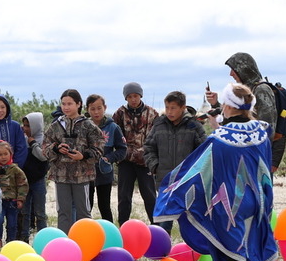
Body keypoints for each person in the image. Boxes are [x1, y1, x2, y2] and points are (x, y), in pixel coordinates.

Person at [155, 84, 278, 261]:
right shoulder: (262, 130)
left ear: (229, 106)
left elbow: (198, 168)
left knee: (234, 253)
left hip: (231, 205)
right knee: (253, 248)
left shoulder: (220, 138)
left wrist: (171, 191)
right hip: (259, 201)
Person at [206, 53, 286, 170]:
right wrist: (215, 104)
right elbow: (236, 117)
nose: (231, 74)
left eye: (234, 70)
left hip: (256, 158)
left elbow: (267, 129)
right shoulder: (250, 90)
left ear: (243, 69)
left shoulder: (262, 90)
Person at [143, 91, 207, 232]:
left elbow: (205, 151)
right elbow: (148, 147)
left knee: (191, 222)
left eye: (173, 108)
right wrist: (155, 167)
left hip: (188, 182)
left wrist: (195, 171)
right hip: (165, 181)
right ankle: (161, 252)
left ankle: (192, 252)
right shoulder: (159, 125)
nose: (169, 111)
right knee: (164, 222)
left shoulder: (194, 126)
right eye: (167, 107)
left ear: (183, 108)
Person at [43, 89, 105, 233]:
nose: (66, 107)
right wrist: (57, 149)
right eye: (63, 104)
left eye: (70, 103)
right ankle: (65, 245)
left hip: (82, 176)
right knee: (63, 213)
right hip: (61, 176)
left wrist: (83, 156)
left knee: (84, 213)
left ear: (78, 104)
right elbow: (45, 147)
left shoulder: (89, 126)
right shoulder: (55, 125)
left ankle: (86, 244)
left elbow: (99, 147)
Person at [112, 82, 159, 224]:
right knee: (124, 197)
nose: (133, 99)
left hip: (145, 161)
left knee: (150, 196)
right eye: (130, 96)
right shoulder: (119, 114)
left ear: (141, 95)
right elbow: (114, 136)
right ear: (126, 98)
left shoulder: (152, 113)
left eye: (136, 96)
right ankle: (123, 227)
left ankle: (157, 227)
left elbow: (157, 137)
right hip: (126, 161)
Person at [86, 94, 127, 222]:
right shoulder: (84, 126)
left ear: (105, 107)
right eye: (92, 109)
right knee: (87, 207)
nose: (96, 112)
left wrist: (109, 158)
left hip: (104, 173)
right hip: (85, 173)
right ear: (87, 110)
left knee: (105, 207)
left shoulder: (113, 127)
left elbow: (122, 149)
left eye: (99, 108)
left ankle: (109, 237)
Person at [0, 141, 29, 246]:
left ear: (11, 154)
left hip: (12, 202)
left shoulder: (16, 170)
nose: (3, 157)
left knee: (12, 223)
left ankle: (11, 241)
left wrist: (20, 199)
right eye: (0, 154)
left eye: (5, 154)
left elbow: (23, 184)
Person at [19, 113, 48, 240]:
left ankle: (43, 238)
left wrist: (33, 143)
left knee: (40, 212)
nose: (25, 128)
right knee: (25, 212)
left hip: (38, 181)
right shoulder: (23, 139)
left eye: (28, 126)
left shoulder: (44, 140)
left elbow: (42, 156)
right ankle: (24, 238)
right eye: (24, 125)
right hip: (25, 181)